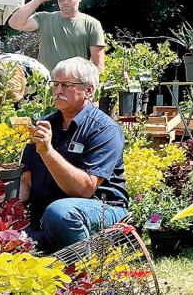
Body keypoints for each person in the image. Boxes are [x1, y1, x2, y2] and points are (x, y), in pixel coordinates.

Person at [19, 58, 128, 251]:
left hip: (100, 209)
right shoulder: (45, 124)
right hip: (48, 215)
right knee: (11, 241)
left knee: (61, 214)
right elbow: (26, 181)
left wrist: (48, 151)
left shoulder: (104, 129)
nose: (58, 90)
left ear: (88, 90)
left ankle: (85, 272)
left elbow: (85, 189)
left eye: (67, 85)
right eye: (55, 84)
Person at [8, 0, 105, 73]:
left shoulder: (91, 24)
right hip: (46, 84)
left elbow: (98, 65)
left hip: (74, 85)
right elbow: (14, 23)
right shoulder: (44, 18)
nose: (65, 0)